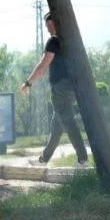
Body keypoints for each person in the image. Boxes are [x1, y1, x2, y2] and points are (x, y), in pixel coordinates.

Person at [20, 13, 88, 167]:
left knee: (68, 123)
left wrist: (28, 83)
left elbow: (43, 65)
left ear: (53, 23)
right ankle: (44, 160)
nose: (46, 29)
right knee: (56, 126)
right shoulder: (69, 40)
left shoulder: (54, 41)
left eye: (47, 25)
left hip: (61, 88)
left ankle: (83, 160)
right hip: (70, 87)